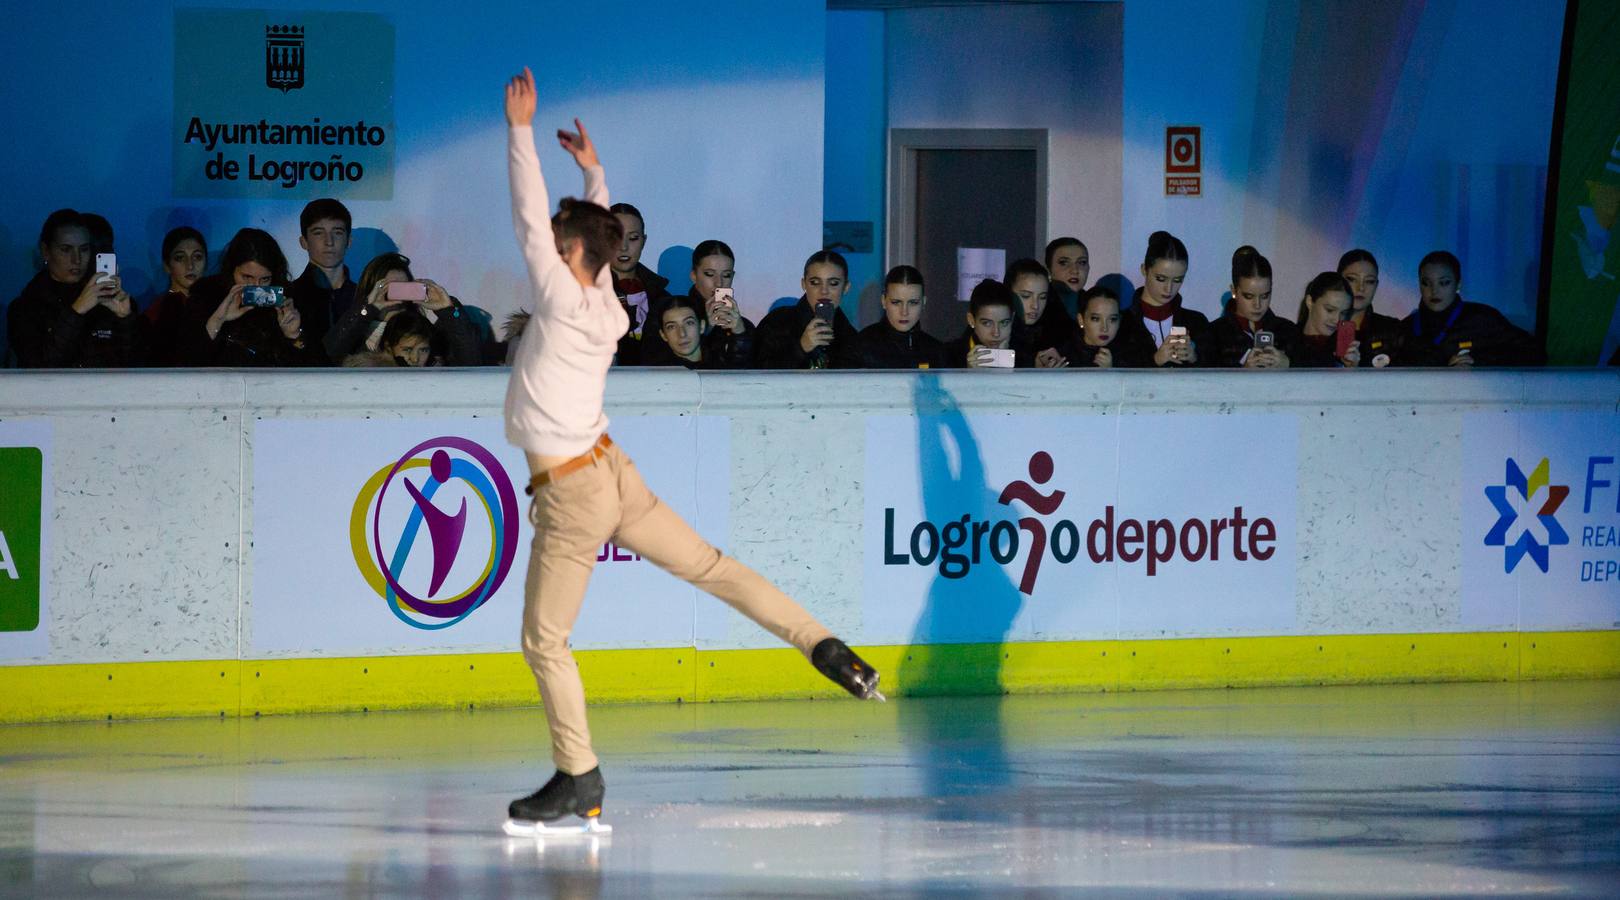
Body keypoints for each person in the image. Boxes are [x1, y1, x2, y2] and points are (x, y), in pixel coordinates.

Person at [498, 66, 880, 832]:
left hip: (574, 489)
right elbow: (591, 234)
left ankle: (579, 776)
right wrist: (597, 173)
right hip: (609, 469)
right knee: (712, 566)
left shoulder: (564, 295)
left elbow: (527, 210)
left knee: (544, 640)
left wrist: (521, 133)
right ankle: (823, 644)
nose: (543, 243)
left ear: (566, 253)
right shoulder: (602, 296)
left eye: (554, 242)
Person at [8, 208, 142, 368]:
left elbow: (136, 367)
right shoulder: (25, 308)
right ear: (46, 251)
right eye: (65, 249)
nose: (76, 259)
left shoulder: (107, 300)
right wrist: (77, 311)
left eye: (84, 249)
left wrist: (125, 319)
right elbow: (39, 367)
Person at [187, 228, 325, 367]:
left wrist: (294, 335)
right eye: (247, 277)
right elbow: (186, 364)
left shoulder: (288, 301)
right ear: (232, 270)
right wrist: (217, 320)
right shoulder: (205, 295)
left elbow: (316, 371)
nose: (256, 286)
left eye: (265, 279)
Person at [1396, 251, 1544, 367]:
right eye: (1426, 283)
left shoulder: (1483, 320)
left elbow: (1535, 353)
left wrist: (1477, 361)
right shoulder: (1406, 329)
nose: (1434, 291)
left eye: (1444, 283)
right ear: (1419, 284)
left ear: (1458, 284)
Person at [323, 253, 475, 364]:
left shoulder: (424, 330)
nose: (397, 295)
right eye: (388, 287)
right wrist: (367, 309)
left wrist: (448, 310)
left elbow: (470, 362)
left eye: (404, 287)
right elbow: (326, 358)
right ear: (372, 288)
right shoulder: (353, 329)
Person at [754, 249, 862, 368]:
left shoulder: (851, 337)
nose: (824, 291)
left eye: (833, 283)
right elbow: (757, 375)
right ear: (804, 284)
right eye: (815, 282)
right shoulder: (777, 322)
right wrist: (801, 347)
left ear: (846, 287)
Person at [1119, 231, 1208, 367]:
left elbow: (1217, 378)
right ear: (1144, 269)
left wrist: (1195, 358)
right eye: (1161, 279)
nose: (1169, 288)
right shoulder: (1122, 323)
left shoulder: (1196, 322)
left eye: (1178, 280)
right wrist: (1154, 360)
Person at [1208, 246, 1300, 369]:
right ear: (1234, 291)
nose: (1257, 305)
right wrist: (1243, 373)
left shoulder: (1288, 331)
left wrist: (1289, 364)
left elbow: (1319, 374)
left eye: (1265, 296)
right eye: (1249, 296)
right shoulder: (1213, 333)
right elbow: (1205, 384)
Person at [286, 198, 356, 349]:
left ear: (349, 241)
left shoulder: (364, 297)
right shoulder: (287, 297)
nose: (329, 241)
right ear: (303, 242)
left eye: (337, 232)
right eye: (318, 233)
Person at [606, 202, 669, 365]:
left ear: (643, 241)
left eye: (633, 238)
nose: (624, 247)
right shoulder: (582, 292)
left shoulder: (662, 299)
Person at [855, 264, 943, 368]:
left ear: (923, 303)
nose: (904, 312)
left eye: (913, 303)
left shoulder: (936, 351)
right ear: (884, 301)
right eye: (896, 302)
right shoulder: (860, 346)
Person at [145, 227, 209, 367]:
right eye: (180, 258)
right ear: (167, 266)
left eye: (197, 257)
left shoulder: (216, 305)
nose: (190, 266)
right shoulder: (157, 311)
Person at [640, 292, 753, 369]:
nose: (682, 334)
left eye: (689, 323)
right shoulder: (656, 374)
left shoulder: (721, 361)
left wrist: (739, 333)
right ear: (663, 335)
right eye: (671, 327)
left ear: (702, 326)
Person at [942, 278, 1032, 368]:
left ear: (1012, 319)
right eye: (987, 323)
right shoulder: (949, 356)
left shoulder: (1025, 356)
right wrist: (968, 375)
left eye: (1004, 323)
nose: (996, 333)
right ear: (971, 320)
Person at [1337, 249, 1401, 368]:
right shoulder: (1325, 327)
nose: (1360, 288)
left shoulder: (1392, 330)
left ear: (1376, 286)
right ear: (1338, 280)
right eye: (1352, 279)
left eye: (1369, 281)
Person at [1007, 257, 1076, 368]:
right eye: (1026, 296)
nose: (1035, 305)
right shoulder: (994, 327)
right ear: (1009, 294)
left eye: (1042, 297)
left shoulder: (1061, 330)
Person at [1064, 284, 1144, 368]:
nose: (1104, 328)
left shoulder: (1131, 356)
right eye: (1096, 319)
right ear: (1081, 320)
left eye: (1112, 319)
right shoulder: (1063, 356)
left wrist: (1111, 371)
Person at [1293, 272, 1362, 368]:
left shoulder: (1348, 349)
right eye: (1329, 310)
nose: (1337, 319)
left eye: (1343, 313)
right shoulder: (1286, 338)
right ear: (1309, 302)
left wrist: (1353, 369)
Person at [1045, 237, 1090, 319]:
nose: (1075, 270)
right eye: (1064, 263)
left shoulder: (1093, 303)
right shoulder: (1038, 304)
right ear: (1049, 269)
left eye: (1082, 262)